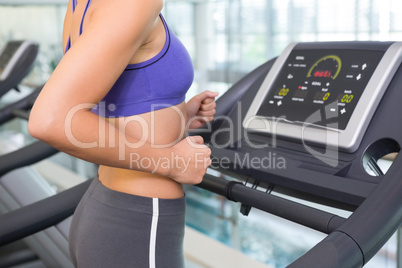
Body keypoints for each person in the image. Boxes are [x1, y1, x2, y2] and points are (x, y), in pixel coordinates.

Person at [28, 0, 218, 267]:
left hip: (107, 206)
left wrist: (177, 117)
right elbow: (50, 121)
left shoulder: (80, 5)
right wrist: (173, 162)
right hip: (140, 218)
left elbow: (99, 103)